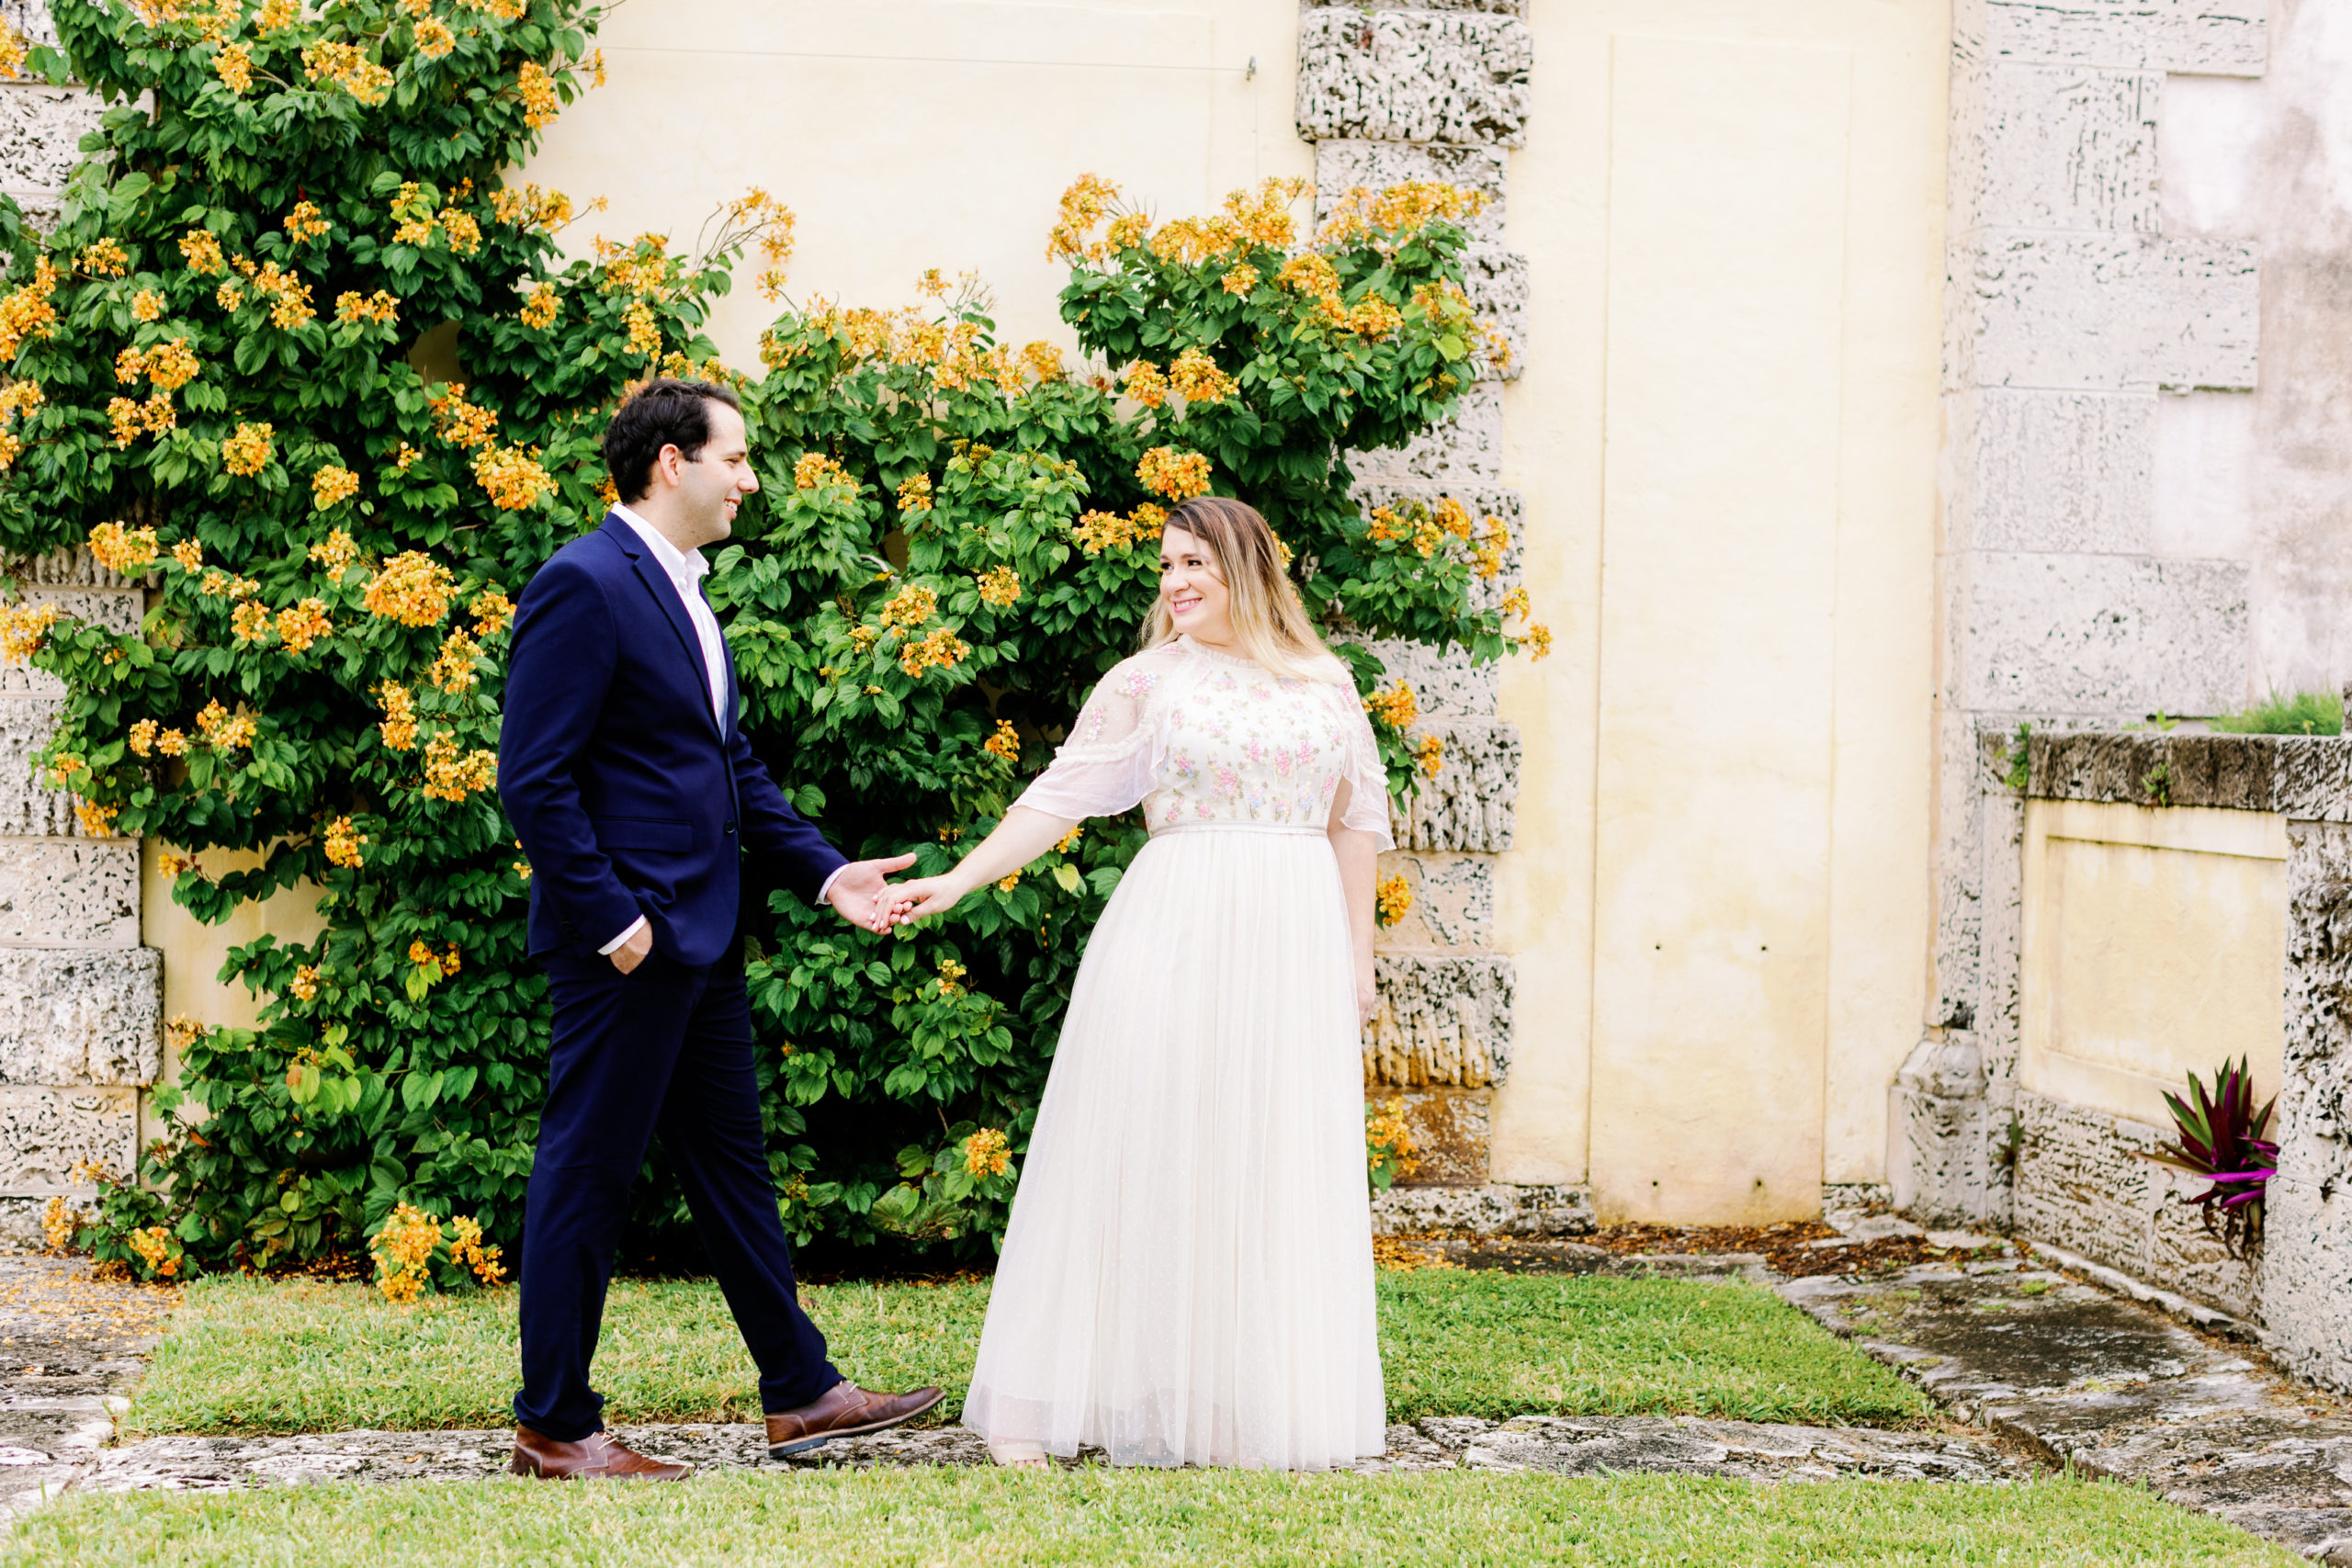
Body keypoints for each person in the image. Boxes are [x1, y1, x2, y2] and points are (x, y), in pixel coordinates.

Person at [880, 495, 1393, 1471]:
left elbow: (1351, 825)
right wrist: (957, 879)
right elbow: (1057, 798)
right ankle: (1039, 1400)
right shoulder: (1146, 681)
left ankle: (1231, 1400)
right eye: (1166, 567)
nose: (1177, 583)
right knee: (1133, 1143)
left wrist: (1357, 963)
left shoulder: (1326, 682)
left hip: (1292, 937)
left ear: (1248, 567)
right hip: (1177, 919)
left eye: (1195, 562)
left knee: (1263, 1154)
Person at [498, 378, 943, 1480]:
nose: (750, 480)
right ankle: (554, 1425)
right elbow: (533, 780)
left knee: (735, 1172)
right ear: (670, 464)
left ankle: (801, 1392)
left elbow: (724, 765)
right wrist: (615, 926)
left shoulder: (686, 592)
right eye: (735, 459)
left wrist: (827, 872)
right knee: (586, 1178)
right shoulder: (583, 583)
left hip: (704, 942)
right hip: (631, 952)